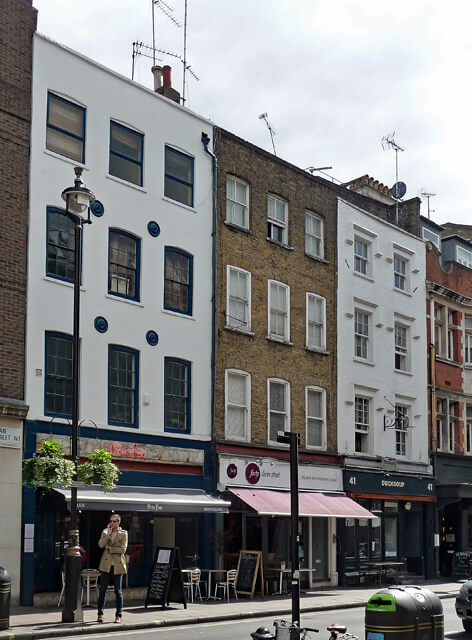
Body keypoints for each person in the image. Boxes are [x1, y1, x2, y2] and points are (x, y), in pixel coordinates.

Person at [97, 514, 128, 623]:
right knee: (102, 590)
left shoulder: (124, 534)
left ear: (118, 522)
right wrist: (108, 535)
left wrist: (110, 548)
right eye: (110, 521)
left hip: (117, 565)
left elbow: (123, 549)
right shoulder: (106, 531)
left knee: (118, 591)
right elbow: (100, 545)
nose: (112, 523)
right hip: (106, 565)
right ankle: (100, 614)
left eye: (114, 521)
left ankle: (118, 615)